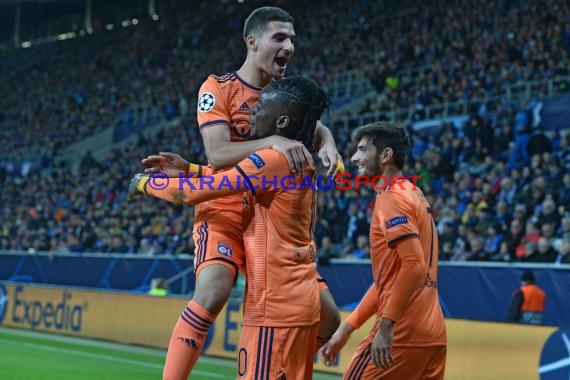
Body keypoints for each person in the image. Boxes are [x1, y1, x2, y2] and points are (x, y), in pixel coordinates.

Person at [140, 7, 341, 379]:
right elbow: (218, 153)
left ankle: (278, 366)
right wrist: (274, 141)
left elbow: (313, 123)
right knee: (214, 292)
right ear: (252, 41)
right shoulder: (217, 88)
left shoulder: (282, 95)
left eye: (293, 39)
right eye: (279, 38)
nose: (290, 46)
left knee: (328, 316)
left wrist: (327, 140)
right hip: (224, 209)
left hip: (268, 217)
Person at [321, 122, 447, 379]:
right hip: (432, 335)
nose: (354, 157)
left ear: (386, 155)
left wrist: (387, 325)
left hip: (401, 332)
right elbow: (389, 279)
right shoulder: (413, 193)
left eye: (362, 149)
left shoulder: (392, 198)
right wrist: (347, 328)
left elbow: (414, 267)